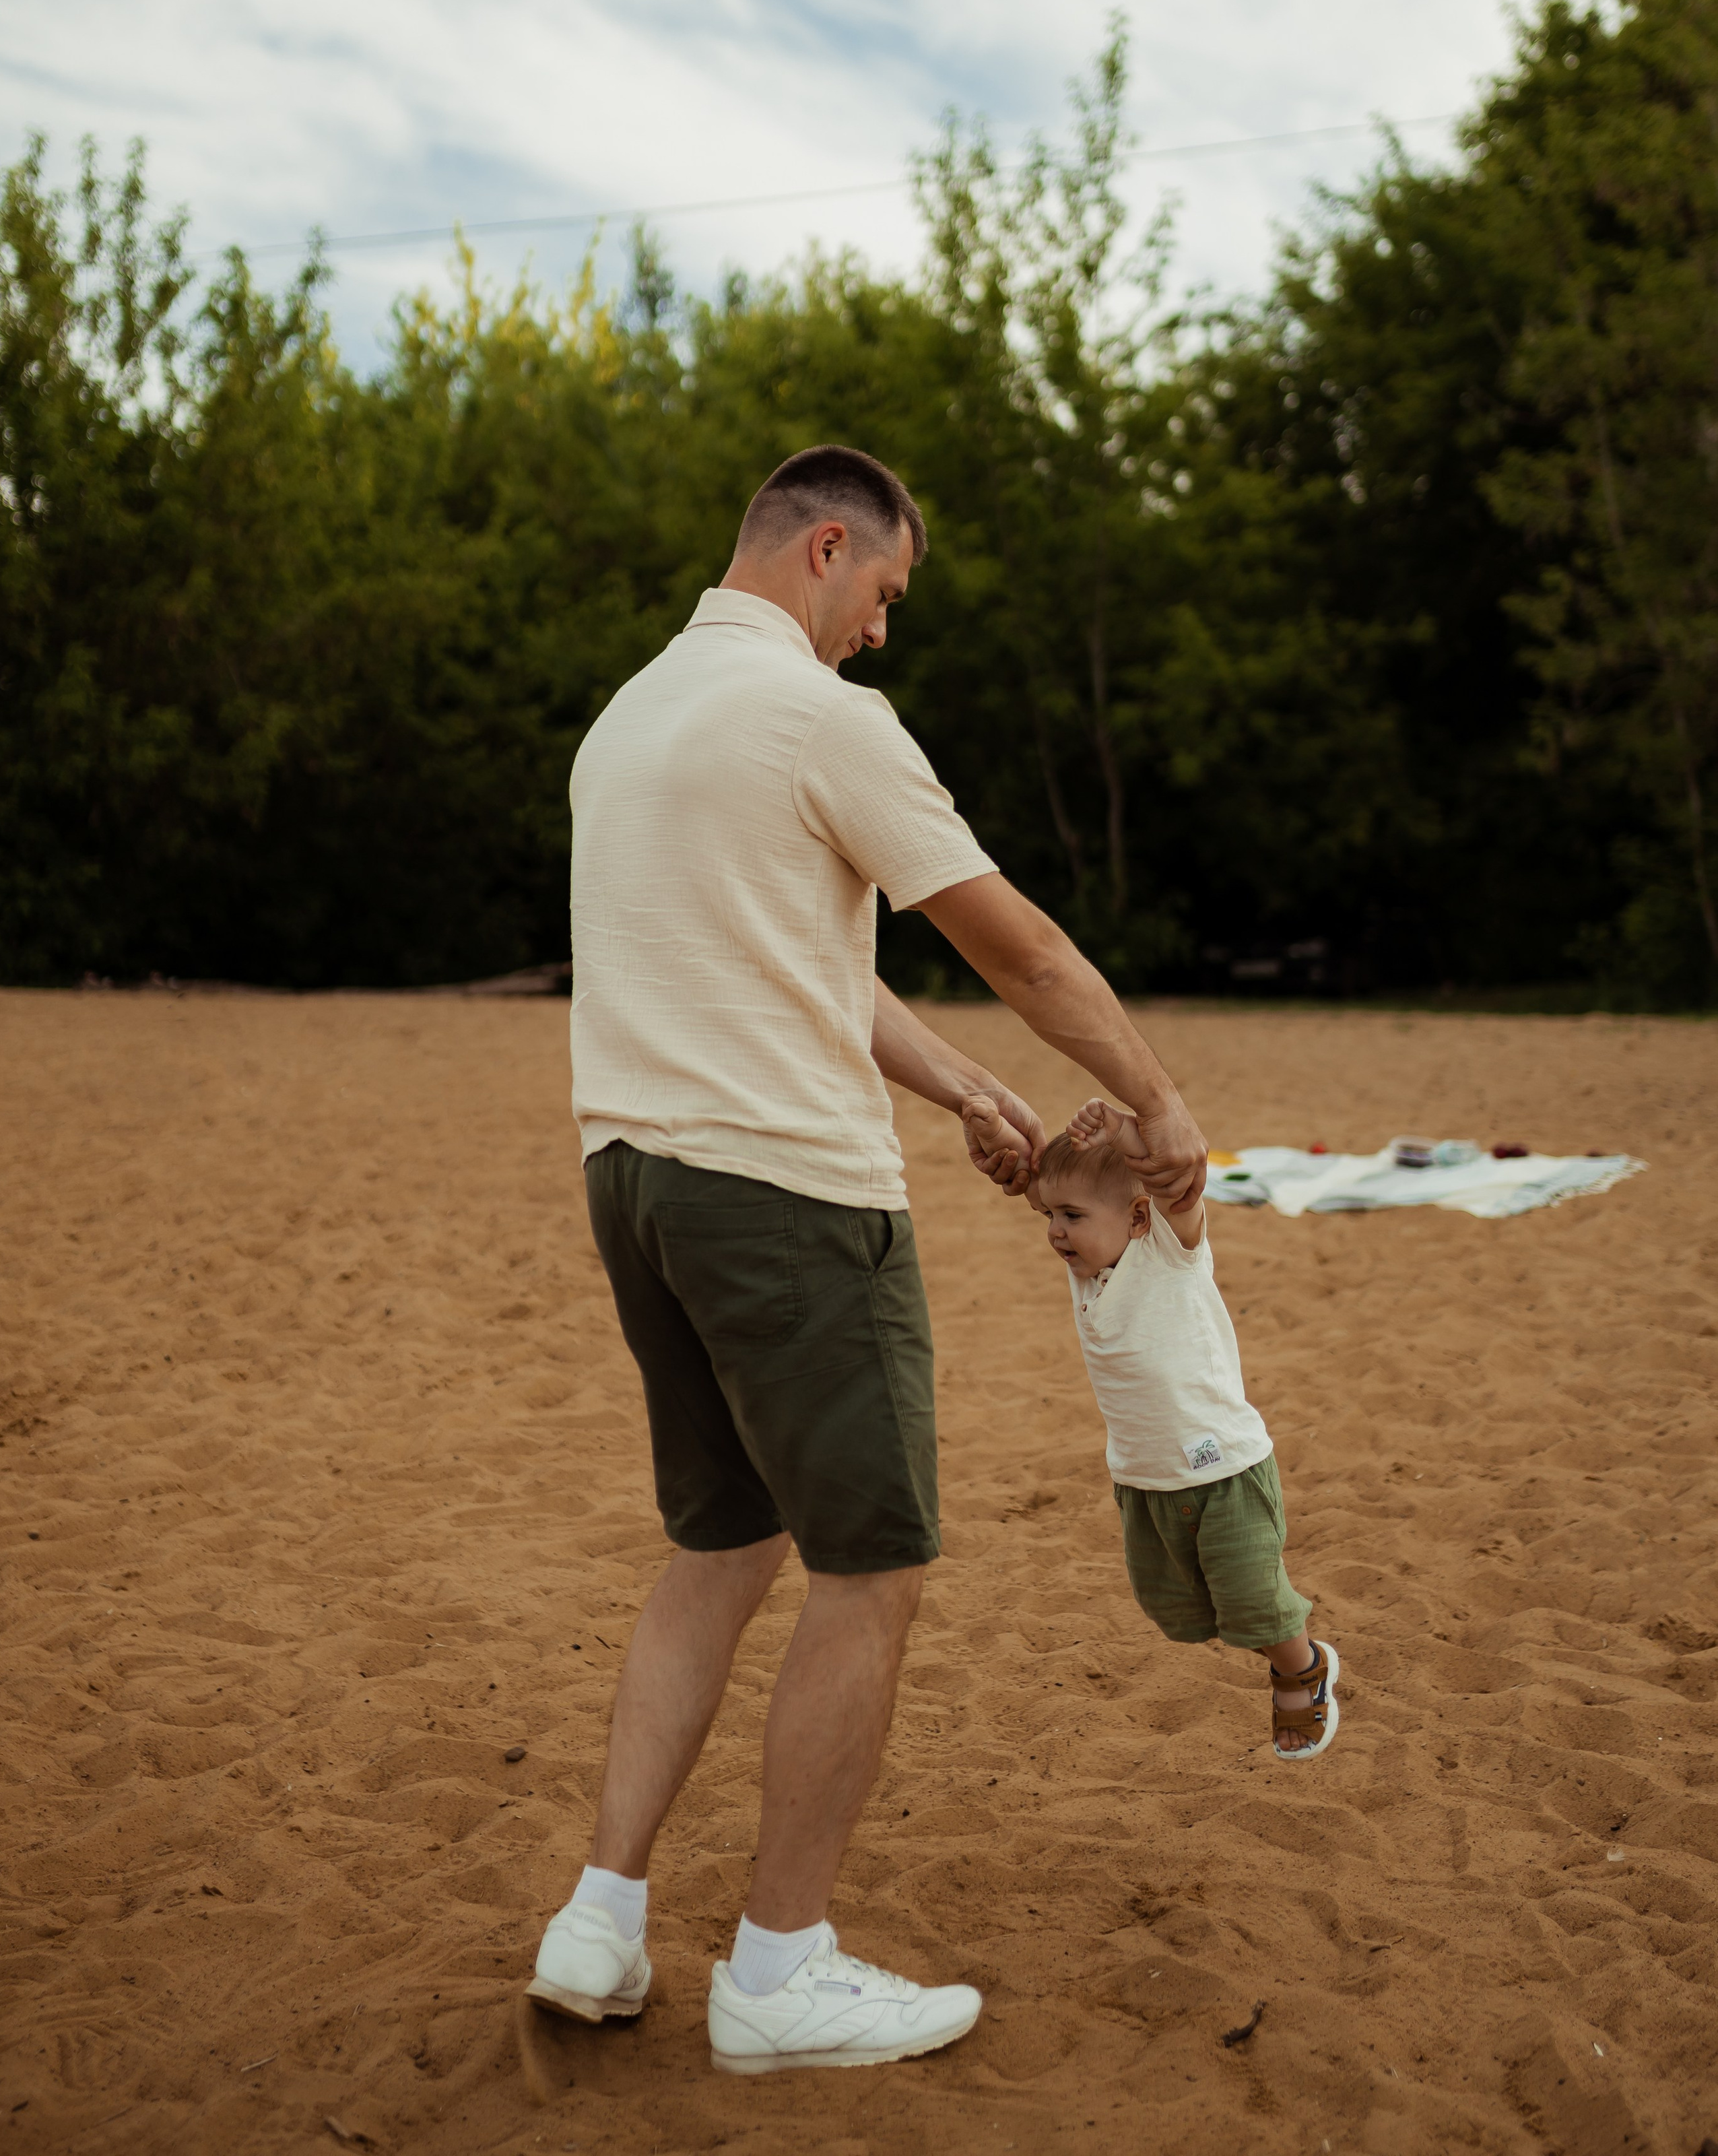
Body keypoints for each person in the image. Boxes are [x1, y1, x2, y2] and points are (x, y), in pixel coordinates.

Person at [528, 444, 1207, 2077]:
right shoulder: (820, 717)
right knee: (870, 1566)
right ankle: (778, 1968)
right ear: (825, 546)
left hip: (635, 1182)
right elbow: (1015, 943)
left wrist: (960, 1083)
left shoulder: (633, 718)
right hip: (787, 1200)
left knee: (720, 1542)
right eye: (885, 593)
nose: (882, 631)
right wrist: (1153, 1095)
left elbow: (786, 956)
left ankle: (597, 1920)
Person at [964, 1091, 1337, 1761]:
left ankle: (1302, 1670)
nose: (1055, 1232)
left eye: (1071, 1218)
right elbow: (1045, 1184)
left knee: (1253, 1597)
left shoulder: (1169, 1249)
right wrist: (999, 1133)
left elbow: (1177, 1187)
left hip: (1225, 1467)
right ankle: (1275, 1643)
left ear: (1138, 1218)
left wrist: (1126, 1131)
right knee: (1179, 1609)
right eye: (1051, 1217)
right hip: (1144, 1477)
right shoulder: (1089, 1266)